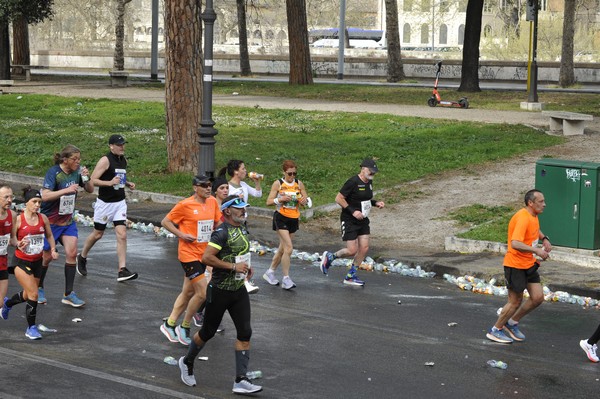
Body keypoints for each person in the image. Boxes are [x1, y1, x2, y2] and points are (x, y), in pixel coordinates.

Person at [177, 195, 262, 395]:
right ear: (227, 211)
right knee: (207, 332)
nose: (243, 210)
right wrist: (233, 267)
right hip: (219, 291)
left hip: (238, 290)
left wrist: (247, 268)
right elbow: (206, 257)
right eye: (238, 208)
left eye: (244, 207)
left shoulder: (242, 227)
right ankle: (186, 362)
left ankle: (240, 380)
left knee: (245, 332)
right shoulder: (221, 233)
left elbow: (239, 254)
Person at [160, 175, 222, 346]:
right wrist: (181, 234)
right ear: (195, 187)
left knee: (188, 292)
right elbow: (165, 222)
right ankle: (185, 326)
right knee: (202, 292)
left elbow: (217, 223)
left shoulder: (212, 202)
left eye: (209, 185)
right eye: (204, 186)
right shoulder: (185, 205)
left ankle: (169, 324)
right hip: (189, 255)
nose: (208, 188)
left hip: (204, 254)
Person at [485, 189, 551, 344]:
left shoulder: (532, 216)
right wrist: (537, 250)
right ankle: (495, 330)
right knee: (515, 301)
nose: (544, 204)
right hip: (515, 265)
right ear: (530, 203)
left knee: (537, 298)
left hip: (529, 264)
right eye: (541, 202)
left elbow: (534, 230)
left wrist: (545, 238)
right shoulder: (522, 218)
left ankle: (512, 323)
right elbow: (515, 243)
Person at [77, 134, 138, 282]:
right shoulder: (105, 160)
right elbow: (93, 180)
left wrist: (127, 183)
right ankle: (82, 256)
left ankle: (122, 270)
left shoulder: (123, 160)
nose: (122, 147)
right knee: (98, 234)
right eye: (119, 145)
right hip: (105, 203)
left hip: (119, 202)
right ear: (111, 146)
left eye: (123, 144)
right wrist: (109, 183)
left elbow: (118, 178)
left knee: (122, 234)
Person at [38, 145, 93, 307]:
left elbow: (90, 190)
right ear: (65, 159)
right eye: (74, 159)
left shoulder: (78, 173)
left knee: (72, 252)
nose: (78, 162)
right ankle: (39, 287)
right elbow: (45, 196)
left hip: (67, 221)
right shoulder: (54, 173)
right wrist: (66, 190)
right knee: (46, 256)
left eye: (79, 159)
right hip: (51, 221)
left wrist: (86, 178)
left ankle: (68, 294)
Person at [1, 188, 58, 340]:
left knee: (28, 294)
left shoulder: (43, 218)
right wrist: (19, 243)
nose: (37, 205)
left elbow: (50, 235)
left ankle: (8, 304)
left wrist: (53, 249)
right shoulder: (18, 219)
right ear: (26, 203)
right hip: (21, 261)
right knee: (34, 294)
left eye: (39, 202)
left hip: (37, 261)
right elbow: (12, 239)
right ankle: (31, 328)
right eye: (34, 202)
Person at [319, 158, 385, 286]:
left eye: (374, 172)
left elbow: (365, 200)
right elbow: (339, 198)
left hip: (363, 219)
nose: (373, 174)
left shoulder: (369, 183)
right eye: (371, 171)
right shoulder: (353, 181)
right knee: (352, 250)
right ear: (363, 169)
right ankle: (330, 257)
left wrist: (376, 203)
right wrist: (353, 211)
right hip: (349, 219)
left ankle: (350, 276)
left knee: (364, 248)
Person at [263, 160, 310, 290]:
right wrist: (280, 199)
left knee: (283, 248)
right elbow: (268, 201)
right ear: (284, 172)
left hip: (294, 218)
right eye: (290, 174)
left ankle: (270, 272)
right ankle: (286, 279)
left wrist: (304, 201)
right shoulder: (278, 183)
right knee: (289, 248)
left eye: (294, 173)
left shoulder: (299, 184)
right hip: (281, 217)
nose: (292, 176)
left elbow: (307, 200)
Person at [192, 175, 229, 328]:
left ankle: (200, 315)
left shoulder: (224, 205)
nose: (225, 191)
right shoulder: (211, 204)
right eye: (222, 188)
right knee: (209, 288)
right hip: (205, 251)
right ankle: (197, 314)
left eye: (227, 188)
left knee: (210, 288)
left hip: (218, 248)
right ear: (215, 191)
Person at [220, 160, 261, 295]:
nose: (245, 171)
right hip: (232, 221)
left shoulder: (243, 184)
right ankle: (239, 278)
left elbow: (258, 194)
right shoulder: (228, 188)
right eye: (243, 169)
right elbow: (223, 204)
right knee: (234, 249)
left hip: (242, 221)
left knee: (243, 248)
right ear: (236, 172)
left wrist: (257, 181)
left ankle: (244, 278)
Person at [0, 185, 17, 302]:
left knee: (1, 302)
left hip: (2, 261)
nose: (9, 200)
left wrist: (21, 244)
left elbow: (13, 239)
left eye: (11, 197)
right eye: (6, 197)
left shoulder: (13, 215)